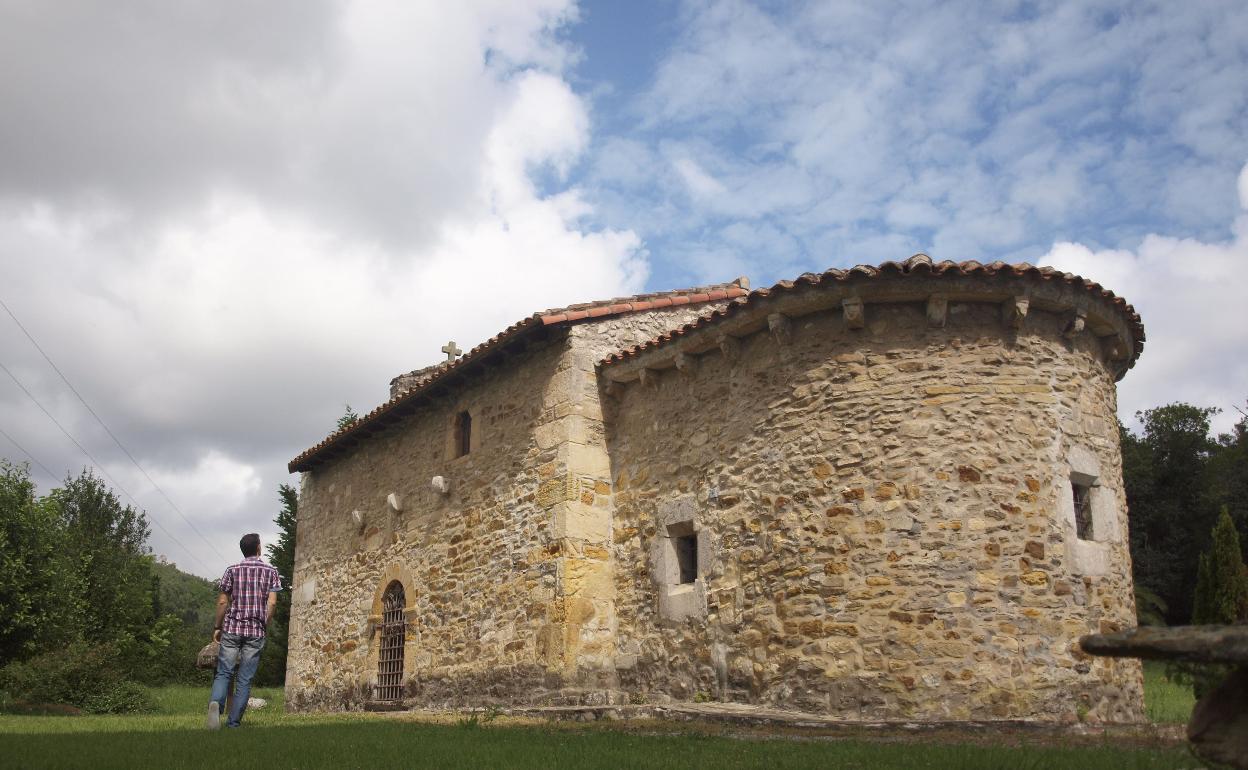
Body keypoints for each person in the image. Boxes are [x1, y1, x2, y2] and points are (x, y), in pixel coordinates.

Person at [207, 532, 281, 729]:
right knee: (245, 678)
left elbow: (223, 601)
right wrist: (264, 623)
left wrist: (217, 626)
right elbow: (272, 604)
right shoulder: (271, 571)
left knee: (224, 672)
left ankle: (216, 703)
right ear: (258, 548)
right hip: (255, 631)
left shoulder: (232, 570)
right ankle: (233, 723)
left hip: (232, 628)